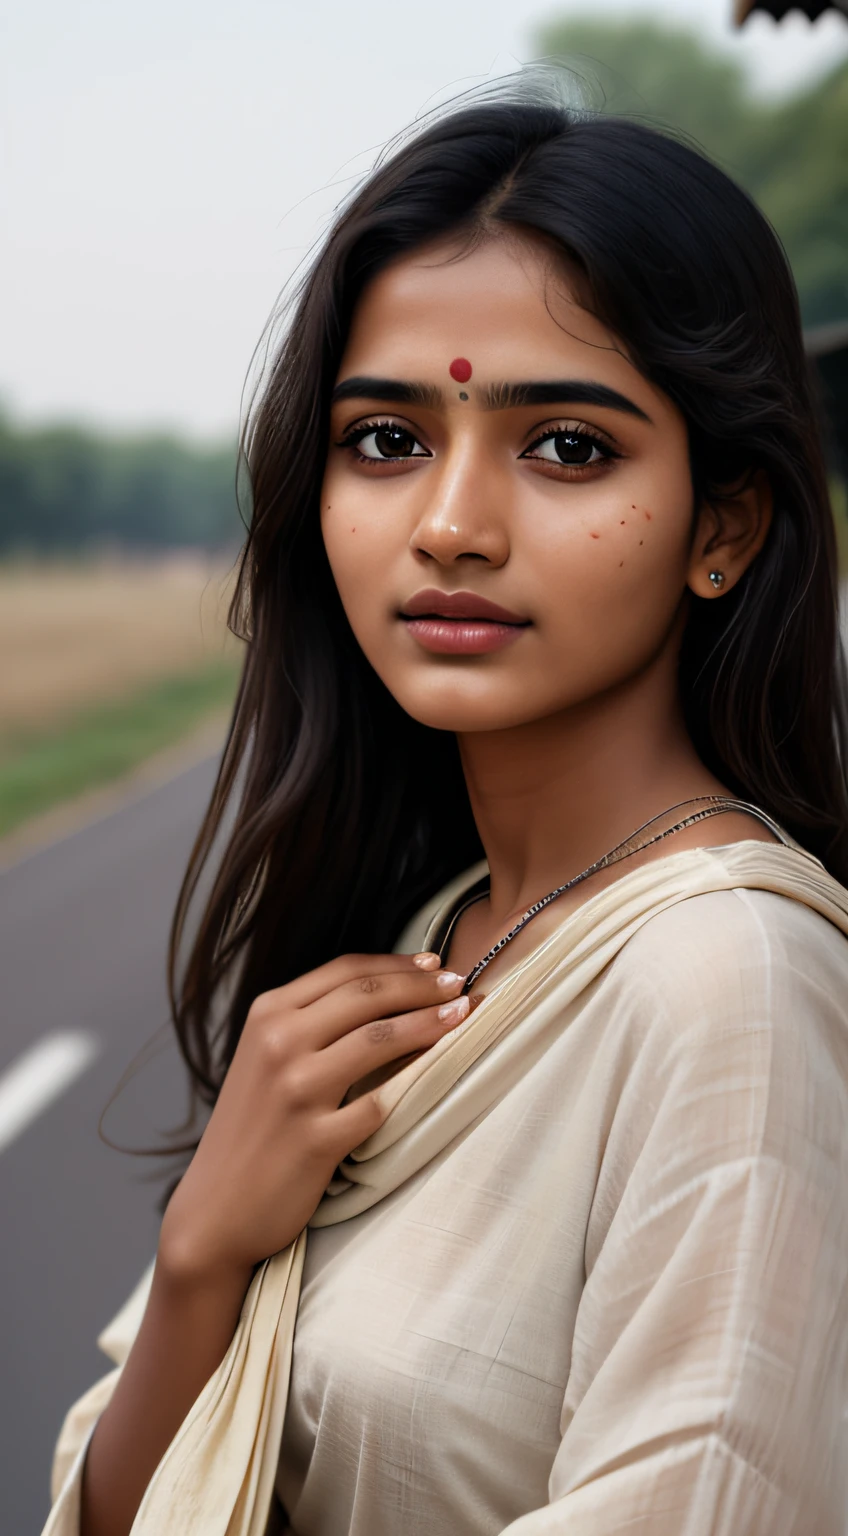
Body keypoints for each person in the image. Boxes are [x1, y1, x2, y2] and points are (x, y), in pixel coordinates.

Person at [42, 70, 848, 1536]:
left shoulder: (728, 977)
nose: (453, 527)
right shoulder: (432, 932)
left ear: (721, 526)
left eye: (567, 448)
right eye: (388, 441)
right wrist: (202, 1259)